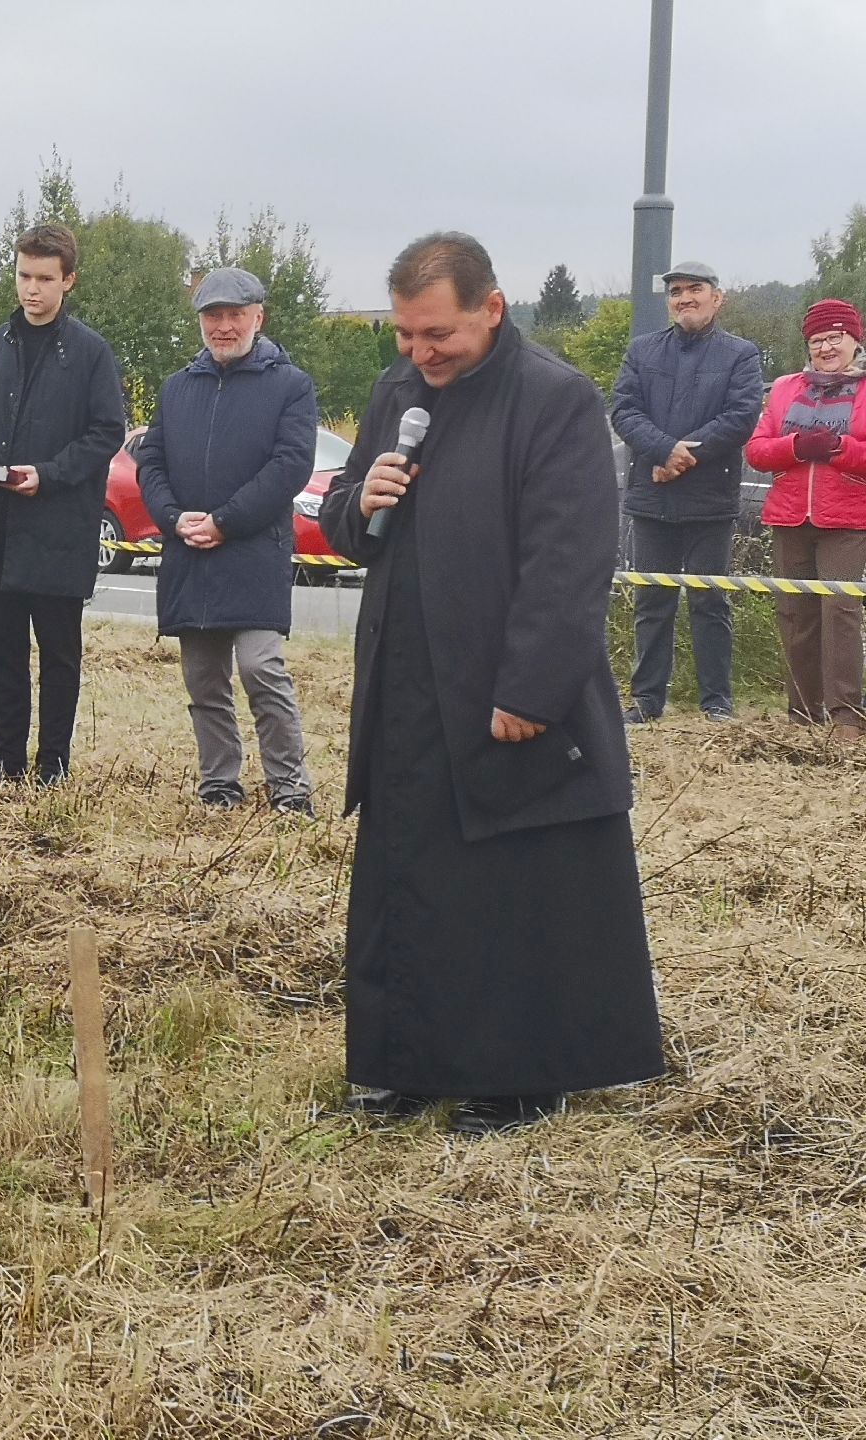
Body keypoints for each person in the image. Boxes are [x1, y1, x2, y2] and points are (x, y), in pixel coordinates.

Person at [321, 232, 663, 1136]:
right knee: (411, 878)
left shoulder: (555, 398)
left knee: (505, 891)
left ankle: (517, 1077)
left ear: (493, 309)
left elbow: (570, 559)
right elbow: (345, 523)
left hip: (502, 693)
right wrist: (360, 502)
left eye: (438, 334)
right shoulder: (397, 393)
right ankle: (403, 1063)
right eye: (406, 335)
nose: (420, 354)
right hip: (406, 687)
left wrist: (532, 690)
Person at [135, 268, 317, 815]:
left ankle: (290, 789)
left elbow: (290, 466)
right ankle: (219, 784)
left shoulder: (291, 386)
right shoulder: (177, 388)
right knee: (203, 679)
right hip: (190, 554)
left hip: (254, 552)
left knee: (261, 668)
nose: (223, 326)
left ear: (259, 317)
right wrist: (173, 519)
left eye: (235, 314)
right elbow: (151, 461)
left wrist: (225, 521)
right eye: (213, 316)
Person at [0, 223, 126, 784]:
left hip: (59, 529)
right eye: (23, 276)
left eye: (43, 278)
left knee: (59, 657)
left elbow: (107, 430)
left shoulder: (90, 352)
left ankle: (53, 765)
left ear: (68, 281)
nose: (31, 289)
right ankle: (8, 762)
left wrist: (51, 474)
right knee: (2, 655)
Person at [611, 262, 763, 724]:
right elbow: (624, 410)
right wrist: (664, 450)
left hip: (709, 501)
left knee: (710, 601)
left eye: (694, 289)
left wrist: (680, 457)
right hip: (651, 499)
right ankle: (647, 700)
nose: (685, 298)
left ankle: (716, 702)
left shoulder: (741, 354)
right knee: (651, 603)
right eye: (676, 291)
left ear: (717, 297)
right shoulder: (642, 351)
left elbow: (740, 417)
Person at [746, 298, 866, 739]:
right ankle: (802, 713)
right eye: (817, 340)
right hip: (789, 515)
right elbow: (757, 451)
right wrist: (796, 447)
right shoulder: (783, 388)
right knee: (795, 613)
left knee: (840, 612)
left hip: (848, 518)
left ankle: (846, 716)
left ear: (855, 340)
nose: (826, 347)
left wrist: (840, 449)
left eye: (835, 337)